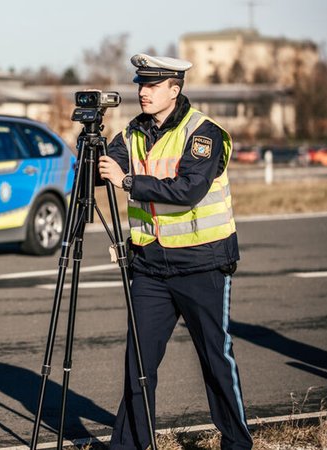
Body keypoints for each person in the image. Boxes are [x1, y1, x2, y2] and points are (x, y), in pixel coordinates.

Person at [97, 54, 253, 450]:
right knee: (138, 364)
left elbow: (188, 191)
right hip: (149, 266)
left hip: (202, 262)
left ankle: (237, 443)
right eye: (140, 85)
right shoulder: (132, 132)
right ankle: (131, 444)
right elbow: (100, 174)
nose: (142, 92)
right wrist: (91, 148)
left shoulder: (203, 133)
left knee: (216, 360)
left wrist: (128, 180)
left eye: (151, 85)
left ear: (174, 89)